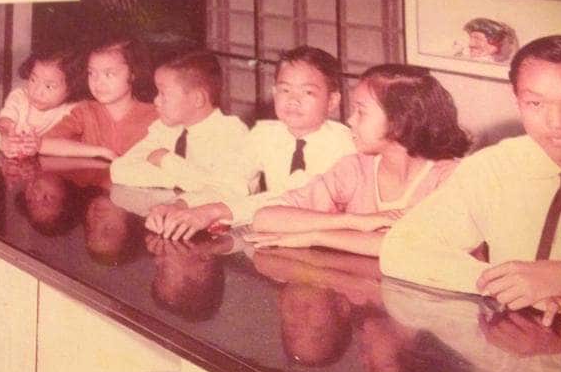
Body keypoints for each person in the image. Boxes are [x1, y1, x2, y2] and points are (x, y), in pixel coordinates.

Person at [381, 35, 561, 329]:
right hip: (519, 349)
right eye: (535, 103)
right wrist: (506, 285)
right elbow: (401, 248)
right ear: (517, 101)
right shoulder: (493, 168)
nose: (556, 122)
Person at [249, 64, 471, 257]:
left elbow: (420, 247)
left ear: (400, 121)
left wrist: (318, 236)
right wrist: (352, 221)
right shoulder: (354, 168)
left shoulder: (449, 177)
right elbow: (265, 218)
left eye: (361, 112)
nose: (350, 120)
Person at [145, 46, 355, 239]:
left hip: (329, 243)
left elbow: (294, 199)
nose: (293, 100)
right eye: (285, 90)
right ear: (274, 93)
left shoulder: (344, 145)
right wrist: (180, 204)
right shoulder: (265, 134)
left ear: (332, 102)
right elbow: (230, 183)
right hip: (276, 237)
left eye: (308, 92)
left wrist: (215, 211)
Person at [110, 49, 254, 197]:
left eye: (164, 94)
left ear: (197, 99)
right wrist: (185, 180)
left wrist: (166, 160)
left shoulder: (231, 133)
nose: (156, 100)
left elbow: (233, 190)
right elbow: (119, 169)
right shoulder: (166, 129)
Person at [41, 35, 157, 160]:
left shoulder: (155, 115)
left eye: (109, 74)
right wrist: (101, 152)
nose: (98, 82)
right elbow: (43, 144)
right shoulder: (85, 111)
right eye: (92, 73)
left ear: (133, 73)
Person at [0, 47, 81, 158]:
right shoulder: (20, 97)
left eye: (49, 86)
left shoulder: (74, 110)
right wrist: (7, 135)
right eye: (33, 80)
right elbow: (4, 120)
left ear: (71, 89)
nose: (36, 91)